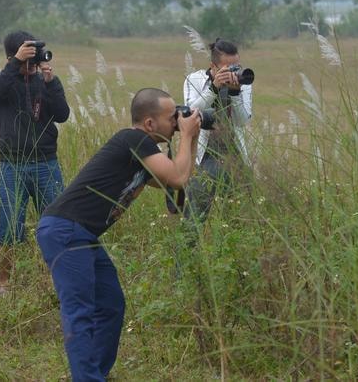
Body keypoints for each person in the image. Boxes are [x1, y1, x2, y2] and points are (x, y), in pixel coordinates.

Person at [36, 88, 201, 381]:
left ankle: (95, 372)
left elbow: (177, 183)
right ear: (149, 124)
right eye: (170, 117)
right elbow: (177, 176)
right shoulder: (133, 138)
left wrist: (192, 136)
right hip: (65, 230)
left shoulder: (141, 152)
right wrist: (186, 135)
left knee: (111, 304)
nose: (175, 121)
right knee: (80, 312)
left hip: (82, 234)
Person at [0, 31, 70, 294]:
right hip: (13, 164)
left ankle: (60, 283)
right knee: (8, 227)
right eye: (27, 59)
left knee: (58, 225)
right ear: (14, 56)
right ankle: (2, 285)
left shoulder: (42, 81)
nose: (31, 65)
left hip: (46, 163)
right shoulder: (2, 80)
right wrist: (14, 65)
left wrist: (51, 81)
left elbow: (63, 115)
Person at [181, 38, 253, 242]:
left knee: (240, 221)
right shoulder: (193, 80)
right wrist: (213, 88)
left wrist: (236, 92)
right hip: (204, 158)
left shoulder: (243, 82)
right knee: (194, 219)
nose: (233, 72)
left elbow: (242, 120)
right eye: (227, 68)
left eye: (236, 66)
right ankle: (185, 265)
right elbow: (189, 114)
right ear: (213, 66)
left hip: (234, 157)